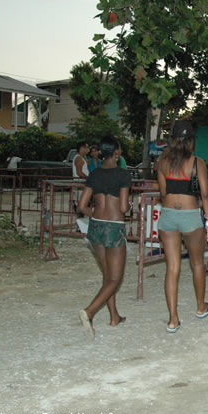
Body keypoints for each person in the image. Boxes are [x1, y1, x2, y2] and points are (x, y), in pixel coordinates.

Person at [156, 122, 208, 333]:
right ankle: (200, 307)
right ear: (191, 140)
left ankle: (173, 320)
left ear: (172, 139)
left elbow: (162, 194)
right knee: (197, 263)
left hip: (168, 217)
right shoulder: (196, 163)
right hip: (190, 217)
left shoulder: (162, 160)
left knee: (172, 268)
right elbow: (205, 194)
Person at [77, 136, 132, 339]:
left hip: (96, 227)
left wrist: (96, 216)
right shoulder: (123, 175)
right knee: (115, 279)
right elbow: (124, 207)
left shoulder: (94, 175)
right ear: (116, 154)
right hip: (114, 227)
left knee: (107, 274)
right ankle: (89, 312)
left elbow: (82, 206)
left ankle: (114, 316)